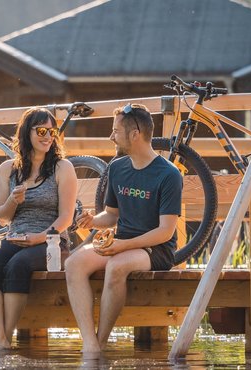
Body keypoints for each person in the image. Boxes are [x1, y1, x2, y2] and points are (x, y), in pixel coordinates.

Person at [66, 103, 182, 353]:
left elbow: (166, 232)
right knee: (73, 263)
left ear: (134, 134)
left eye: (115, 131)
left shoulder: (169, 174)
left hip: (155, 248)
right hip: (122, 242)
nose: (111, 137)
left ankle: (102, 340)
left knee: (116, 266)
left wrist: (122, 246)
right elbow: (111, 215)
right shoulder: (117, 168)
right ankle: (91, 344)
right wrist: (92, 220)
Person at [0, 107, 77, 349]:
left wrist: (39, 237)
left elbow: (66, 217)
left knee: (18, 264)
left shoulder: (62, 168)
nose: (47, 136)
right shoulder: (8, 169)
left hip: (52, 241)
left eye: (52, 131)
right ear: (26, 133)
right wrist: (13, 200)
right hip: (17, 235)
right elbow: (1, 217)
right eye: (41, 130)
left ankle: (4, 338)